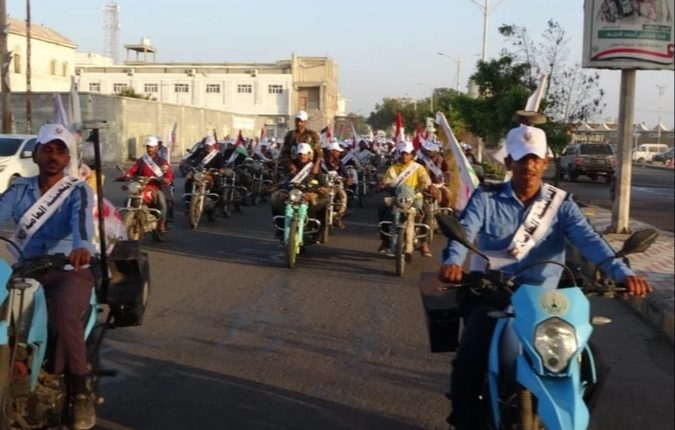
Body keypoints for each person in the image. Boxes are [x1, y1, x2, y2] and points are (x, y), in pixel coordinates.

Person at [437, 124, 652, 429]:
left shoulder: (561, 204)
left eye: (535, 159)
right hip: (493, 293)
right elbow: (464, 232)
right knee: (469, 360)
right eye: (521, 158)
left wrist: (624, 273)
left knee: (595, 367)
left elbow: (591, 241)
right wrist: (453, 263)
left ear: (545, 162)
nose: (529, 166)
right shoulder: (487, 198)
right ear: (509, 161)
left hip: (547, 303)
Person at [0, 124, 98, 429]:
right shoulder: (20, 189)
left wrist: (81, 248)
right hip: (26, 267)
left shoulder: (77, 190)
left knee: (64, 313)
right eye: (48, 149)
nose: (53, 156)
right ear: (36, 154)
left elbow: (82, 223)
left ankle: (80, 392)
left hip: (68, 268)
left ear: (68, 157)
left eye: (60, 151)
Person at [378, 141, 433, 257]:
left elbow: (425, 181)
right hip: (396, 198)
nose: (404, 156)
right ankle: (385, 241)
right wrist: (383, 185)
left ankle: (424, 243)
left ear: (412, 155)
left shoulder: (418, 168)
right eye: (402, 154)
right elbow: (386, 181)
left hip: (415, 198)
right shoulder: (393, 168)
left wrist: (423, 188)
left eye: (407, 154)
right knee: (382, 209)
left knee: (427, 213)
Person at [270, 143, 329, 239]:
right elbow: (283, 180)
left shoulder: (314, 168)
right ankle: (280, 228)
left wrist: (319, 191)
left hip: (309, 195)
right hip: (292, 194)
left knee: (325, 202)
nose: (302, 156)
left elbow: (324, 185)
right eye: (300, 154)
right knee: (274, 199)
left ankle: (318, 232)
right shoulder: (291, 167)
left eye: (304, 154)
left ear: (309, 155)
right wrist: (277, 187)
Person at [118, 136, 173, 232]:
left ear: (156, 147)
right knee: (128, 199)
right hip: (141, 186)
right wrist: (126, 175)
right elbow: (133, 170)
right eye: (148, 147)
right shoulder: (141, 160)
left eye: (151, 147)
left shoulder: (162, 161)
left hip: (155, 186)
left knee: (163, 203)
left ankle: (162, 223)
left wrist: (167, 178)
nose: (149, 149)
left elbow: (168, 172)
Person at [321, 140, 351, 229]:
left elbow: (345, 173)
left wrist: (348, 179)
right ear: (332, 151)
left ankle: (338, 217)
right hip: (323, 186)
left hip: (335, 186)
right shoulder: (322, 162)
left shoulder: (339, 162)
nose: (339, 153)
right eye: (337, 151)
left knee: (343, 197)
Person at [281, 111, 322, 176]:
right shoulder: (290, 135)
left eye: (301, 121)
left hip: (309, 167)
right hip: (293, 167)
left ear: (306, 122)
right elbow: (284, 153)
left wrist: (316, 165)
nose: (299, 124)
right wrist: (290, 165)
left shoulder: (312, 135)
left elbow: (319, 153)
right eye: (297, 121)